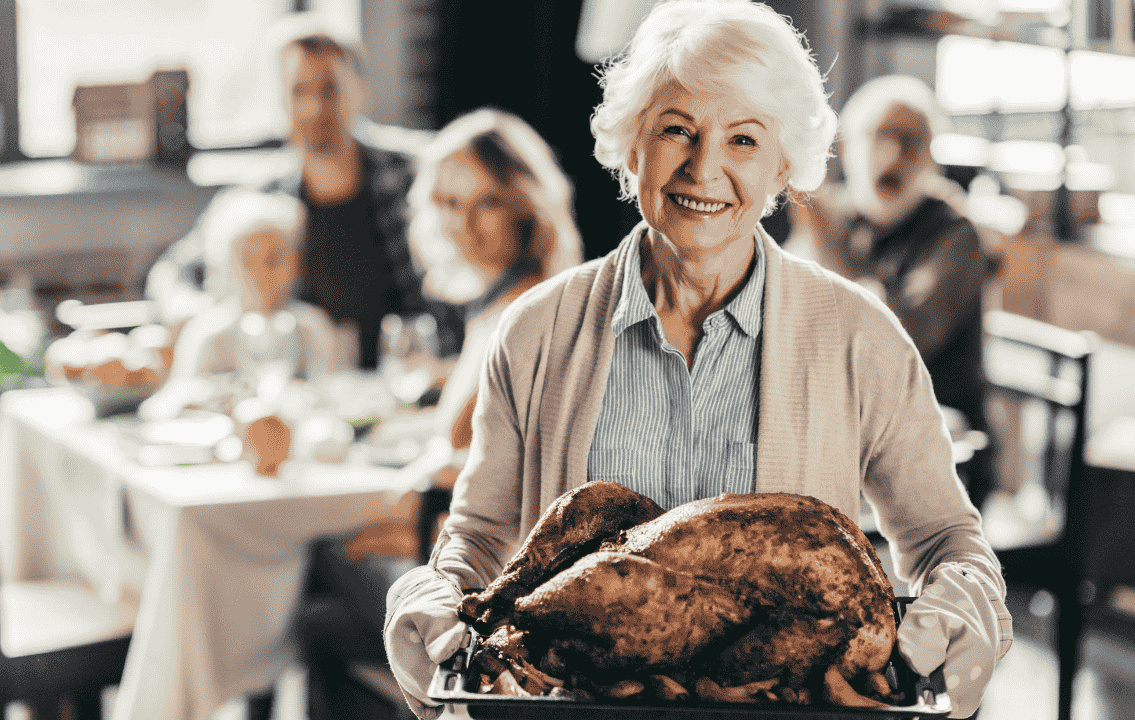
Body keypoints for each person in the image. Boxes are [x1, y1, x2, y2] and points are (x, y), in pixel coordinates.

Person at [383, 2, 1011, 719]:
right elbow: (481, 539)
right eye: (676, 129)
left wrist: (961, 605)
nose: (704, 167)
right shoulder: (534, 331)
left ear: (784, 165)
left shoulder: (860, 336)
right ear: (631, 145)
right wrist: (430, 599)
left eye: (743, 139)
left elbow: (945, 540)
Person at [297, 107, 582, 720]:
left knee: (314, 559)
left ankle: (440, 687)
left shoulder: (525, 314)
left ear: (525, 209)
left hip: (489, 580)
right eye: (449, 203)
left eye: (486, 203)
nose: (464, 224)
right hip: (458, 542)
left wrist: (416, 520)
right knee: (316, 621)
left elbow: (527, 478)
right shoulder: (497, 305)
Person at [146, 30, 462, 370]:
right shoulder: (260, 196)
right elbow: (172, 272)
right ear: (280, 101)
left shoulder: (417, 172)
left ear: (360, 91)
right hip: (306, 392)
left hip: (414, 378)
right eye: (298, 91)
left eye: (329, 88)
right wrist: (194, 314)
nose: (314, 106)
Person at [797, 74, 994, 511]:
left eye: (911, 140)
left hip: (937, 456)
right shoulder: (840, 217)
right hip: (845, 434)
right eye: (879, 136)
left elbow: (910, 337)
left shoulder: (955, 235)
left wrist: (832, 254)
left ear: (932, 157)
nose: (895, 154)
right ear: (848, 149)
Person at [139, 189, 343, 422]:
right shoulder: (210, 331)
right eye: (249, 259)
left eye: (274, 259)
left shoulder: (312, 328)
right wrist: (204, 397)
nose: (262, 272)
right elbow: (162, 407)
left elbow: (336, 399)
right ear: (227, 262)